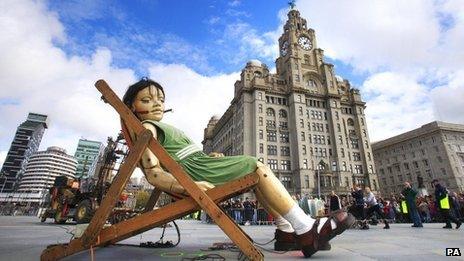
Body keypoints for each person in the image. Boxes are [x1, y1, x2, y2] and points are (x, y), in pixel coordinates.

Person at [121, 78, 355, 257]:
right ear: (131, 106)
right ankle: (305, 228)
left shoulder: (153, 127)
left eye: (160, 100)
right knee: (256, 165)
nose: (157, 104)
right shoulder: (147, 129)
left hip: (201, 164)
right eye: (146, 100)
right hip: (195, 171)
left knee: (255, 171)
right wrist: (188, 186)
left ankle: (287, 232)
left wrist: (207, 156)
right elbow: (154, 174)